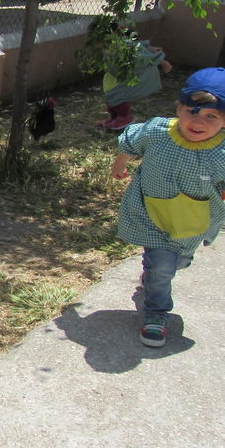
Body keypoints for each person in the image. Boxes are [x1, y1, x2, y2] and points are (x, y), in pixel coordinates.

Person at [110, 67, 225, 348]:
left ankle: (154, 278)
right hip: (152, 213)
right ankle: (156, 315)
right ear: (178, 108)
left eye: (212, 116)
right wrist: (120, 162)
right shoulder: (158, 132)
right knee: (162, 265)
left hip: (191, 221)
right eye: (191, 112)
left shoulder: (222, 152)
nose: (198, 122)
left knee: (177, 263)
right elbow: (131, 140)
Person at [95, 21, 172, 130]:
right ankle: (114, 118)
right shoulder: (111, 46)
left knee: (118, 97)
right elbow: (140, 45)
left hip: (123, 77)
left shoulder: (125, 46)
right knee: (110, 97)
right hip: (112, 76)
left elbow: (143, 56)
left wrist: (162, 61)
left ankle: (124, 117)